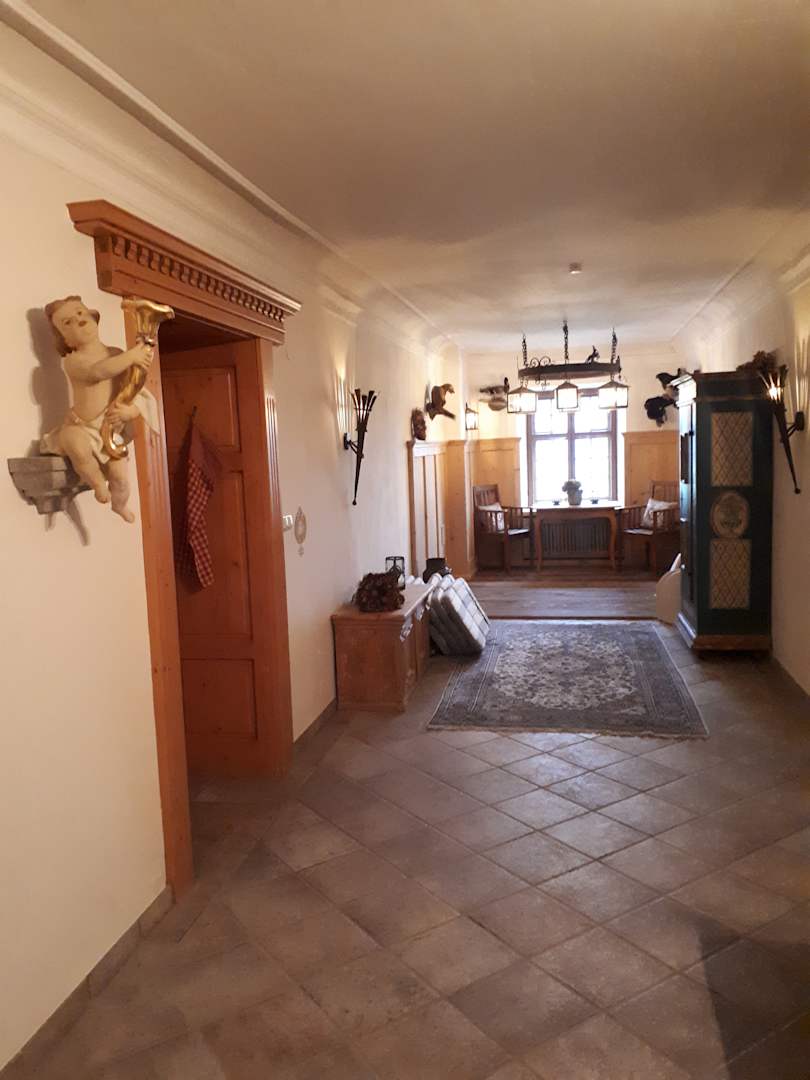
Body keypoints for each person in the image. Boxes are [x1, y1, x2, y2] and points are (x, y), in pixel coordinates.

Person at [41, 295, 158, 522]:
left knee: (121, 478)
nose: (79, 320)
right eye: (67, 322)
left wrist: (131, 412)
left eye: (80, 313)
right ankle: (97, 484)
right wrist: (133, 356)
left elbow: (135, 389)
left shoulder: (117, 354)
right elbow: (98, 372)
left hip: (109, 430)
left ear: (93, 317)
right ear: (66, 340)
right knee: (77, 447)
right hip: (81, 426)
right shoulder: (73, 361)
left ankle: (119, 505)